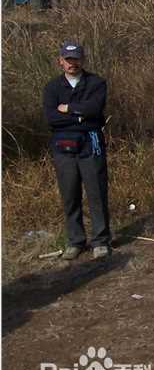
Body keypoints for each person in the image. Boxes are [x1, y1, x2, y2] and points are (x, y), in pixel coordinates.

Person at [42, 40, 111, 260]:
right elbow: (51, 118)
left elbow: (94, 110)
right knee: (69, 194)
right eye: (68, 59)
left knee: (96, 193)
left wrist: (69, 109)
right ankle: (75, 241)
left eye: (76, 59)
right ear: (60, 61)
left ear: (83, 60)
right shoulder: (52, 88)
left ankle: (101, 240)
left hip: (91, 144)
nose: (72, 63)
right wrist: (80, 116)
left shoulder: (96, 83)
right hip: (63, 148)